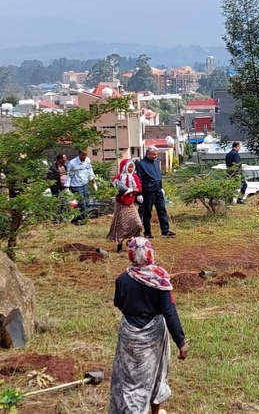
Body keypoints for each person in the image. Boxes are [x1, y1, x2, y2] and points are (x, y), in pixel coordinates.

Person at [109, 237, 188, 414]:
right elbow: (169, 311)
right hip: (154, 335)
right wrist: (181, 342)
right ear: (150, 254)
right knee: (157, 375)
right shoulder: (159, 278)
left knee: (130, 380)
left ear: (130, 255)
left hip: (130, 333)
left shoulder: (122, 279)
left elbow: (118, 303)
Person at [136, 146, 175, 238]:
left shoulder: (156, 162)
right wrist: (139, 193)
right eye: (154, 154)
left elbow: (158, 176)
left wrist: (161, 187)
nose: (155, 156)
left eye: (156, 154)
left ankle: (165, 231)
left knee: (162, 210)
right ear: (148, 154)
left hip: (158, 191)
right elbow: (139, 179)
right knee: (147, 212)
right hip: (148, 192)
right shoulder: (141, 164)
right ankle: (147, 233)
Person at [108, 159, 143, 253]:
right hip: (121, 205)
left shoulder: (134, 177)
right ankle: (119, 247)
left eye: (132, 167)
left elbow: (139, 188)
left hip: (131, 204)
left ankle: (133, 242)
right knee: (121, 226)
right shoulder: (118, 178)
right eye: (129, 167)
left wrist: (131, 190)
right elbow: (113, 189)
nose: (131, 169)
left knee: (138, 224)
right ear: (124, 167)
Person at [64, 149, 96, 225]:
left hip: (84, 184)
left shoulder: (87, 160)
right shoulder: (72, 163)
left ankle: (76, 219)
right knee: (82, 203)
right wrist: (67, 188)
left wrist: (93, 182)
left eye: (86, 155)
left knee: (87, 201)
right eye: (83, 155)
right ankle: (83, 220)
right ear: (79, 154)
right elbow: (68, 175)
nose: (84, 157)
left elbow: (90, 171)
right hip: (76, 185)